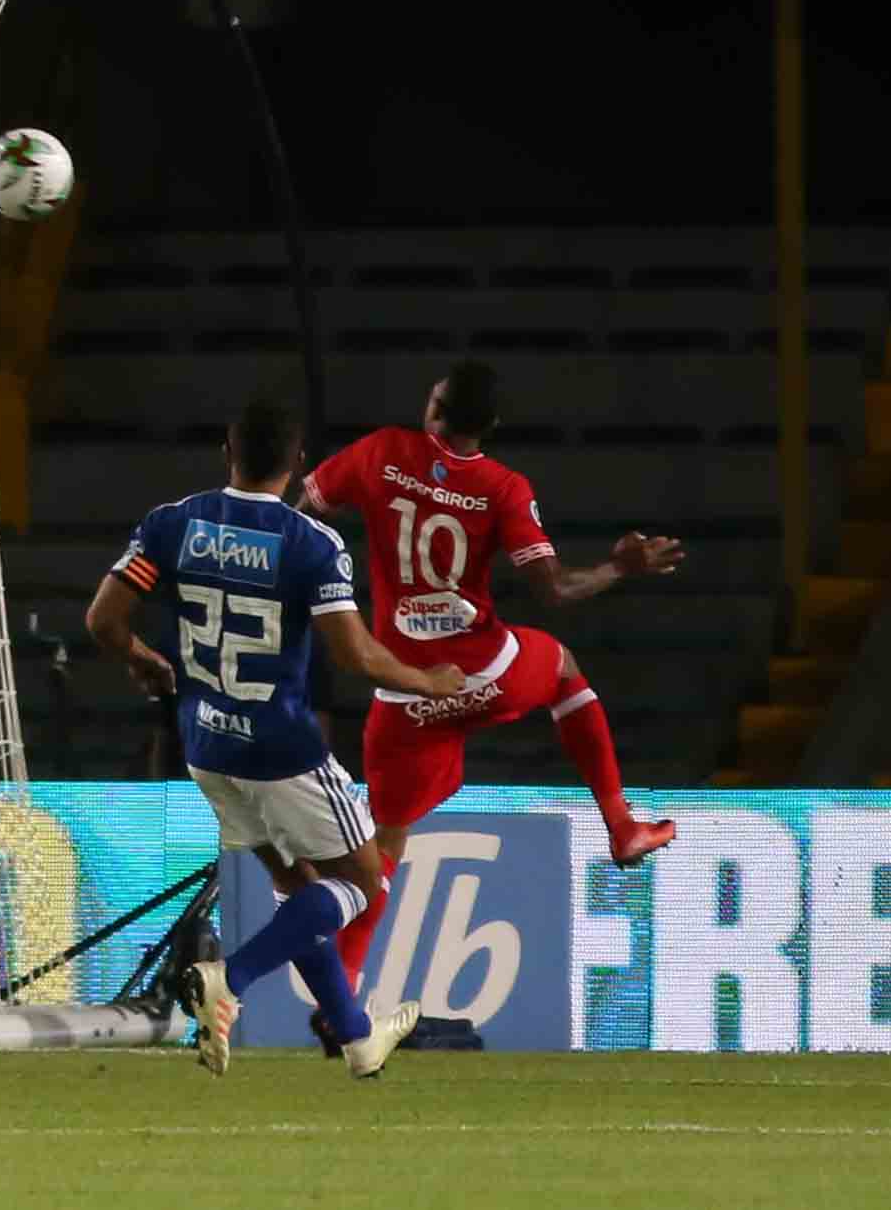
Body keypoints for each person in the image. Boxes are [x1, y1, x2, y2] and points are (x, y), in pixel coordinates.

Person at [294, 360, 683, 1031]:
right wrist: (622, 566)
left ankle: (342, 992)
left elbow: (303, 519)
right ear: (491, 427)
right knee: (562, 668)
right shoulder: (503, 487)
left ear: (435, 408)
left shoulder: (382, 452)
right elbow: (554, 590)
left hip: (403, 688)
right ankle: (621, 823)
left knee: (384, 848)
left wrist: (322, 601)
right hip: (482, 670)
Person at [85, 397, 463, 1078]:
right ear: (298, 464)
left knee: (297, 883)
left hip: (205, 744)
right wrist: (429, 680)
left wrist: (140, 657)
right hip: (281, 748)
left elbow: (103, 619)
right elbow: (354, 655)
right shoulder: (311, 544)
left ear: (226, 450)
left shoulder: (172, 523)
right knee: (364, 878)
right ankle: (230, 978)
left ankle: (355, 1037)